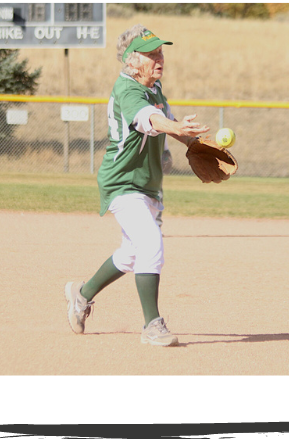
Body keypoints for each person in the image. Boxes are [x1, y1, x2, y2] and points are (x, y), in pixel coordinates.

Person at [64, 24, 209, 346]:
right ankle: (152, 325)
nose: (160, 58)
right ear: (131, 62)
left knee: (131, 255)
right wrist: (171, 126)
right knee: (150, 243)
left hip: (147, 185)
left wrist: (196, 144)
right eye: (151, 54)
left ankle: (81, 295)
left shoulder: (156, 90)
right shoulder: (127, 90)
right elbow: (148, 119)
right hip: (123, 182)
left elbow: (168, 122)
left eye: (160, 52)